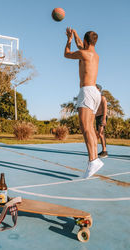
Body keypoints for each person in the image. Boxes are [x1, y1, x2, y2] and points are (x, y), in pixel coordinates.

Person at [64, 28, 104, 178]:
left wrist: (68, 39)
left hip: (87, 91)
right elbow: (81, 45)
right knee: (90, 128)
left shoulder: (84, 53)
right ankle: (94, 160)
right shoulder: (94, 55)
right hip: (95, 93)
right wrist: (75, 34)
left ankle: (93, 160)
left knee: (85, 127)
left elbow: (66, 54)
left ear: (87, 41)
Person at [95, 84, 108, 158]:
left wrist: (103, 118)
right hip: (97, 117)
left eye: (95, 88)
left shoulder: (102, 98)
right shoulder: (95, 99)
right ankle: (103, 151)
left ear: (99, 89)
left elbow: (105, 108)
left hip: (102, 117)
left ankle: (105, 151)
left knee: (101, 134)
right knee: (99, 134)